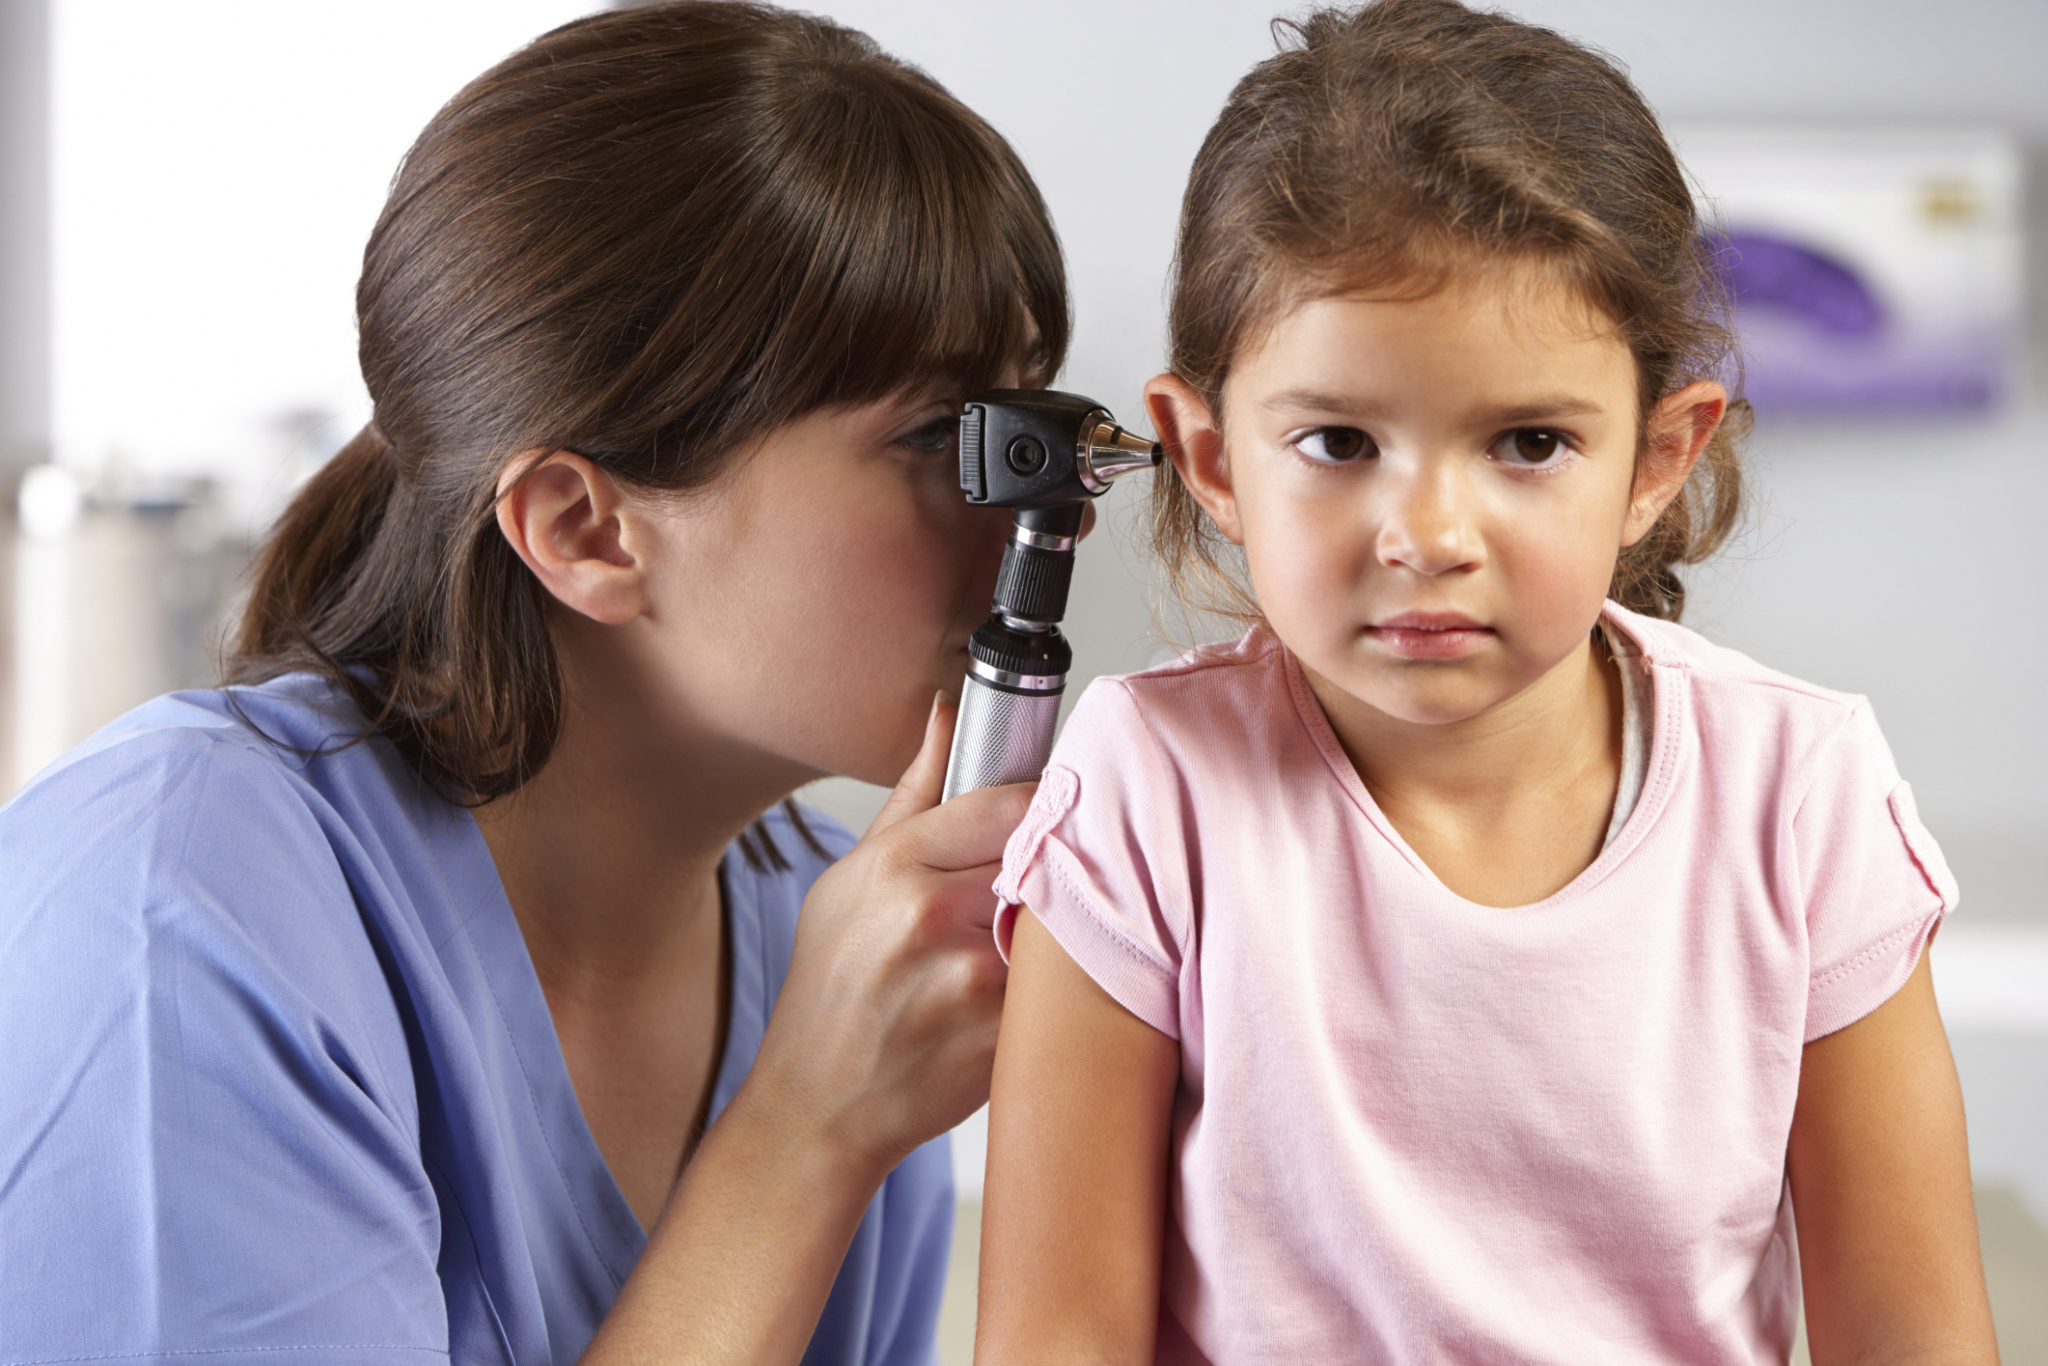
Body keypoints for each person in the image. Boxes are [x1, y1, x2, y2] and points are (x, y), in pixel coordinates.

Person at [0, 5, 1068, 1363]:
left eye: (1026, 420)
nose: (1045, 513)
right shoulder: (177, 906)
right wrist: (805, 1130)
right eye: (936, 437)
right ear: (584, 529)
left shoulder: (857, 958)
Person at [974, 2, 1999, 1362]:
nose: (1429, 536)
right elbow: (1055, 1338)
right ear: (1213, 459)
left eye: (1528, 442)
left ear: (1657, 459)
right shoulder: (1149, 787)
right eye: (1340, 441)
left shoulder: (1802, 797)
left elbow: (1917, 1338)